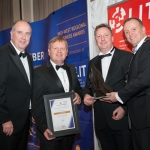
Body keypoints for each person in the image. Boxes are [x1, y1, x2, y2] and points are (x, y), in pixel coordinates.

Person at [83, 23, 133, 150]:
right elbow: (88, 87)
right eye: (99, 36)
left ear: (112, 38)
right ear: (96, 40)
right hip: (101, 122)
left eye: (105, 35)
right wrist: (86, 95)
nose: (102, 39)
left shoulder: (127, 57)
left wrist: (124, 108)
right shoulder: (92, 62)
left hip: (121, 119)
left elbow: (134, 88)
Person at [102, 18, 150, 150]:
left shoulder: (148, 47)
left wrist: (118, 95)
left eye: (134, 29)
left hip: (146, 118)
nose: (130, 34)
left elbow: (145, 79)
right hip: (138, 120)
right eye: (127, 32)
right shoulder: (137, 51)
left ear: (143, 29)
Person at [33, 36, 82, 150]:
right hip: (50, 131)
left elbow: (78, 89)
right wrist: (43, 127)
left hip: (69, 128)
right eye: (55, 48)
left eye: (62, 48)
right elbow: (36, 103)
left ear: (67, 52)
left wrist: (79, 95)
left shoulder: (71, 69)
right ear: (49, 51)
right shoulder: (39, 73)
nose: (59, 51)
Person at [0, 20, 33, 150]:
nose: (24, 37)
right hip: (8, 123)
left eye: (27, 33)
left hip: (24, 121)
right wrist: (4, 119)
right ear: (11, 34)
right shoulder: (2, 54)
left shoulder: (29, 57)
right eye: (20, 33)